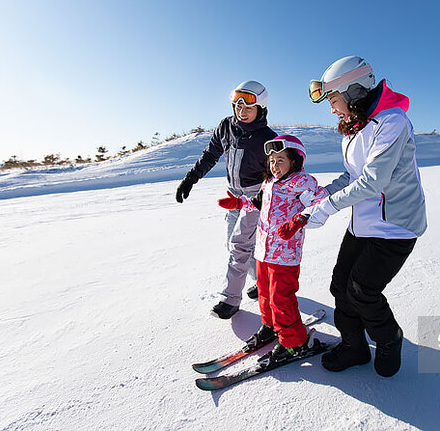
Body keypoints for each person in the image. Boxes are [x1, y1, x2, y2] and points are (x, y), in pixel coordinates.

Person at [296, 55, 427, 377]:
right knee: (340, 286)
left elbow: (374, 181)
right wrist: (321, 194)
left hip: (396, 225)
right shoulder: (356, 129)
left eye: (334, 100)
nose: (332, 108)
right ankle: (354, 346)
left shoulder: (392, 122)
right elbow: (352, 176)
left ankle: (388, 338)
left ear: (354, 91)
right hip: (363, 223)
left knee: (363, 290)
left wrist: (326, 209)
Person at [217, 135, 328, 360]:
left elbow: (321, 201)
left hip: (285, 255)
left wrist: (299, 219)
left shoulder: (302, 182)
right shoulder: (268, 183)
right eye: (272, 161)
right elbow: (257, 204)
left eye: (280, 160)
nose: (274, 166)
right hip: (264, 251)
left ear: (295, 161)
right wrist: (240, 203)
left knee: (281, 299)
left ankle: (295, 343)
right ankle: (270, 327)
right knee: (265, 294)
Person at [176, 81, 276, 319]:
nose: (242, 111)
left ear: (260, 109)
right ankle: (263, 283)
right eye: (238, 105)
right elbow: (211, 155)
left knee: (239, 246)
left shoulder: (268, 138)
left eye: (248, 107)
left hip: (254, 198)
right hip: (234, 197)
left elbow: (278, 172)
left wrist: (265, 195)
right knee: (233, 244)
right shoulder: (226, 127)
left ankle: (231, 299)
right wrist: (191, 178)